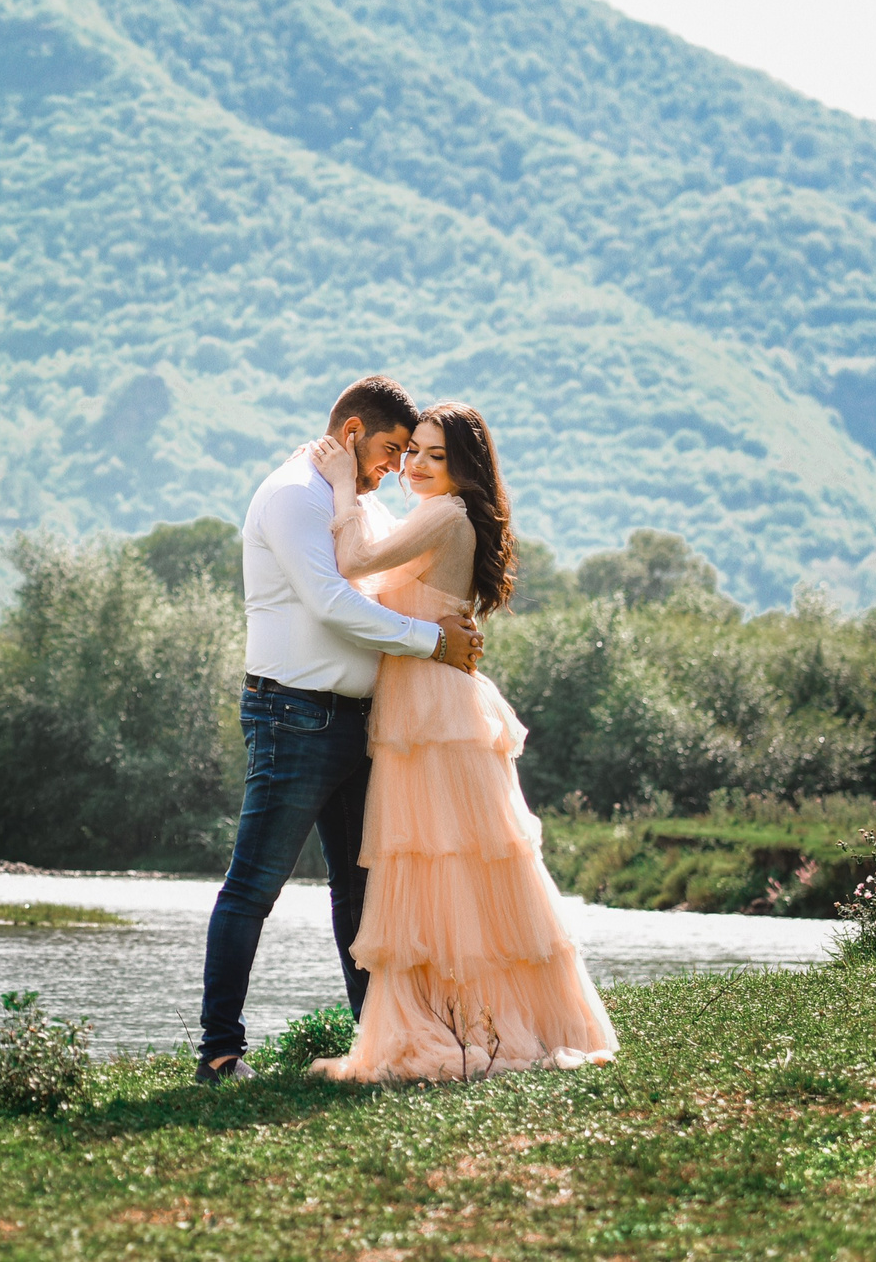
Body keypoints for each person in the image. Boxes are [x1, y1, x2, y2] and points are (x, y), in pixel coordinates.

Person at [306, 402, 616, 1080]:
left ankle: (468, 1023)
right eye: (411, 450)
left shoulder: (444, 515)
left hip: (430, 713)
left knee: (441, 863)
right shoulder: (445, 515)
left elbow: (354, 556)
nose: (415, 464)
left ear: (465, 465)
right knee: (457, 866)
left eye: (433, 455)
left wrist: (337, 481)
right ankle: (476, 1015)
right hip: (431, 703)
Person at [195, 375, 483, 1085]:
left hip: (359, 721)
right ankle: (220, 1051)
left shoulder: (355, 502)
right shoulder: (295, 495)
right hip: (293, 713)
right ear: (352, 433)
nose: (395, 466)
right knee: (254, 884)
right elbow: (330, 602)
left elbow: (390, 575)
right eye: (389, 449)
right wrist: (431, 640)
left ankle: (376, 1045)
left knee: (362, 895)